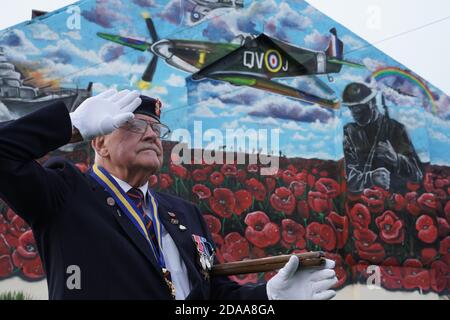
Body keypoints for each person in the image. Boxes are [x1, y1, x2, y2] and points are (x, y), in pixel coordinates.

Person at [0, 89, 337, 300]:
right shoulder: (66, 193)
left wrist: (267, 298)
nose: (151, 135)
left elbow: (213, 297)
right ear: (100, 141)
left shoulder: (184, 214)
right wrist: (72, 124)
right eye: (133, 125)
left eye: (157, 130)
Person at [342, 82, 423, 193]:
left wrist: (396, 160)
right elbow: (347, 178)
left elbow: (417, 175)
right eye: (351, 108)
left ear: (372, 103)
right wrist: (370, 179)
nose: (355, 114)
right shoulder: (349, 132)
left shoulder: (396, 129)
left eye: (359, 108)